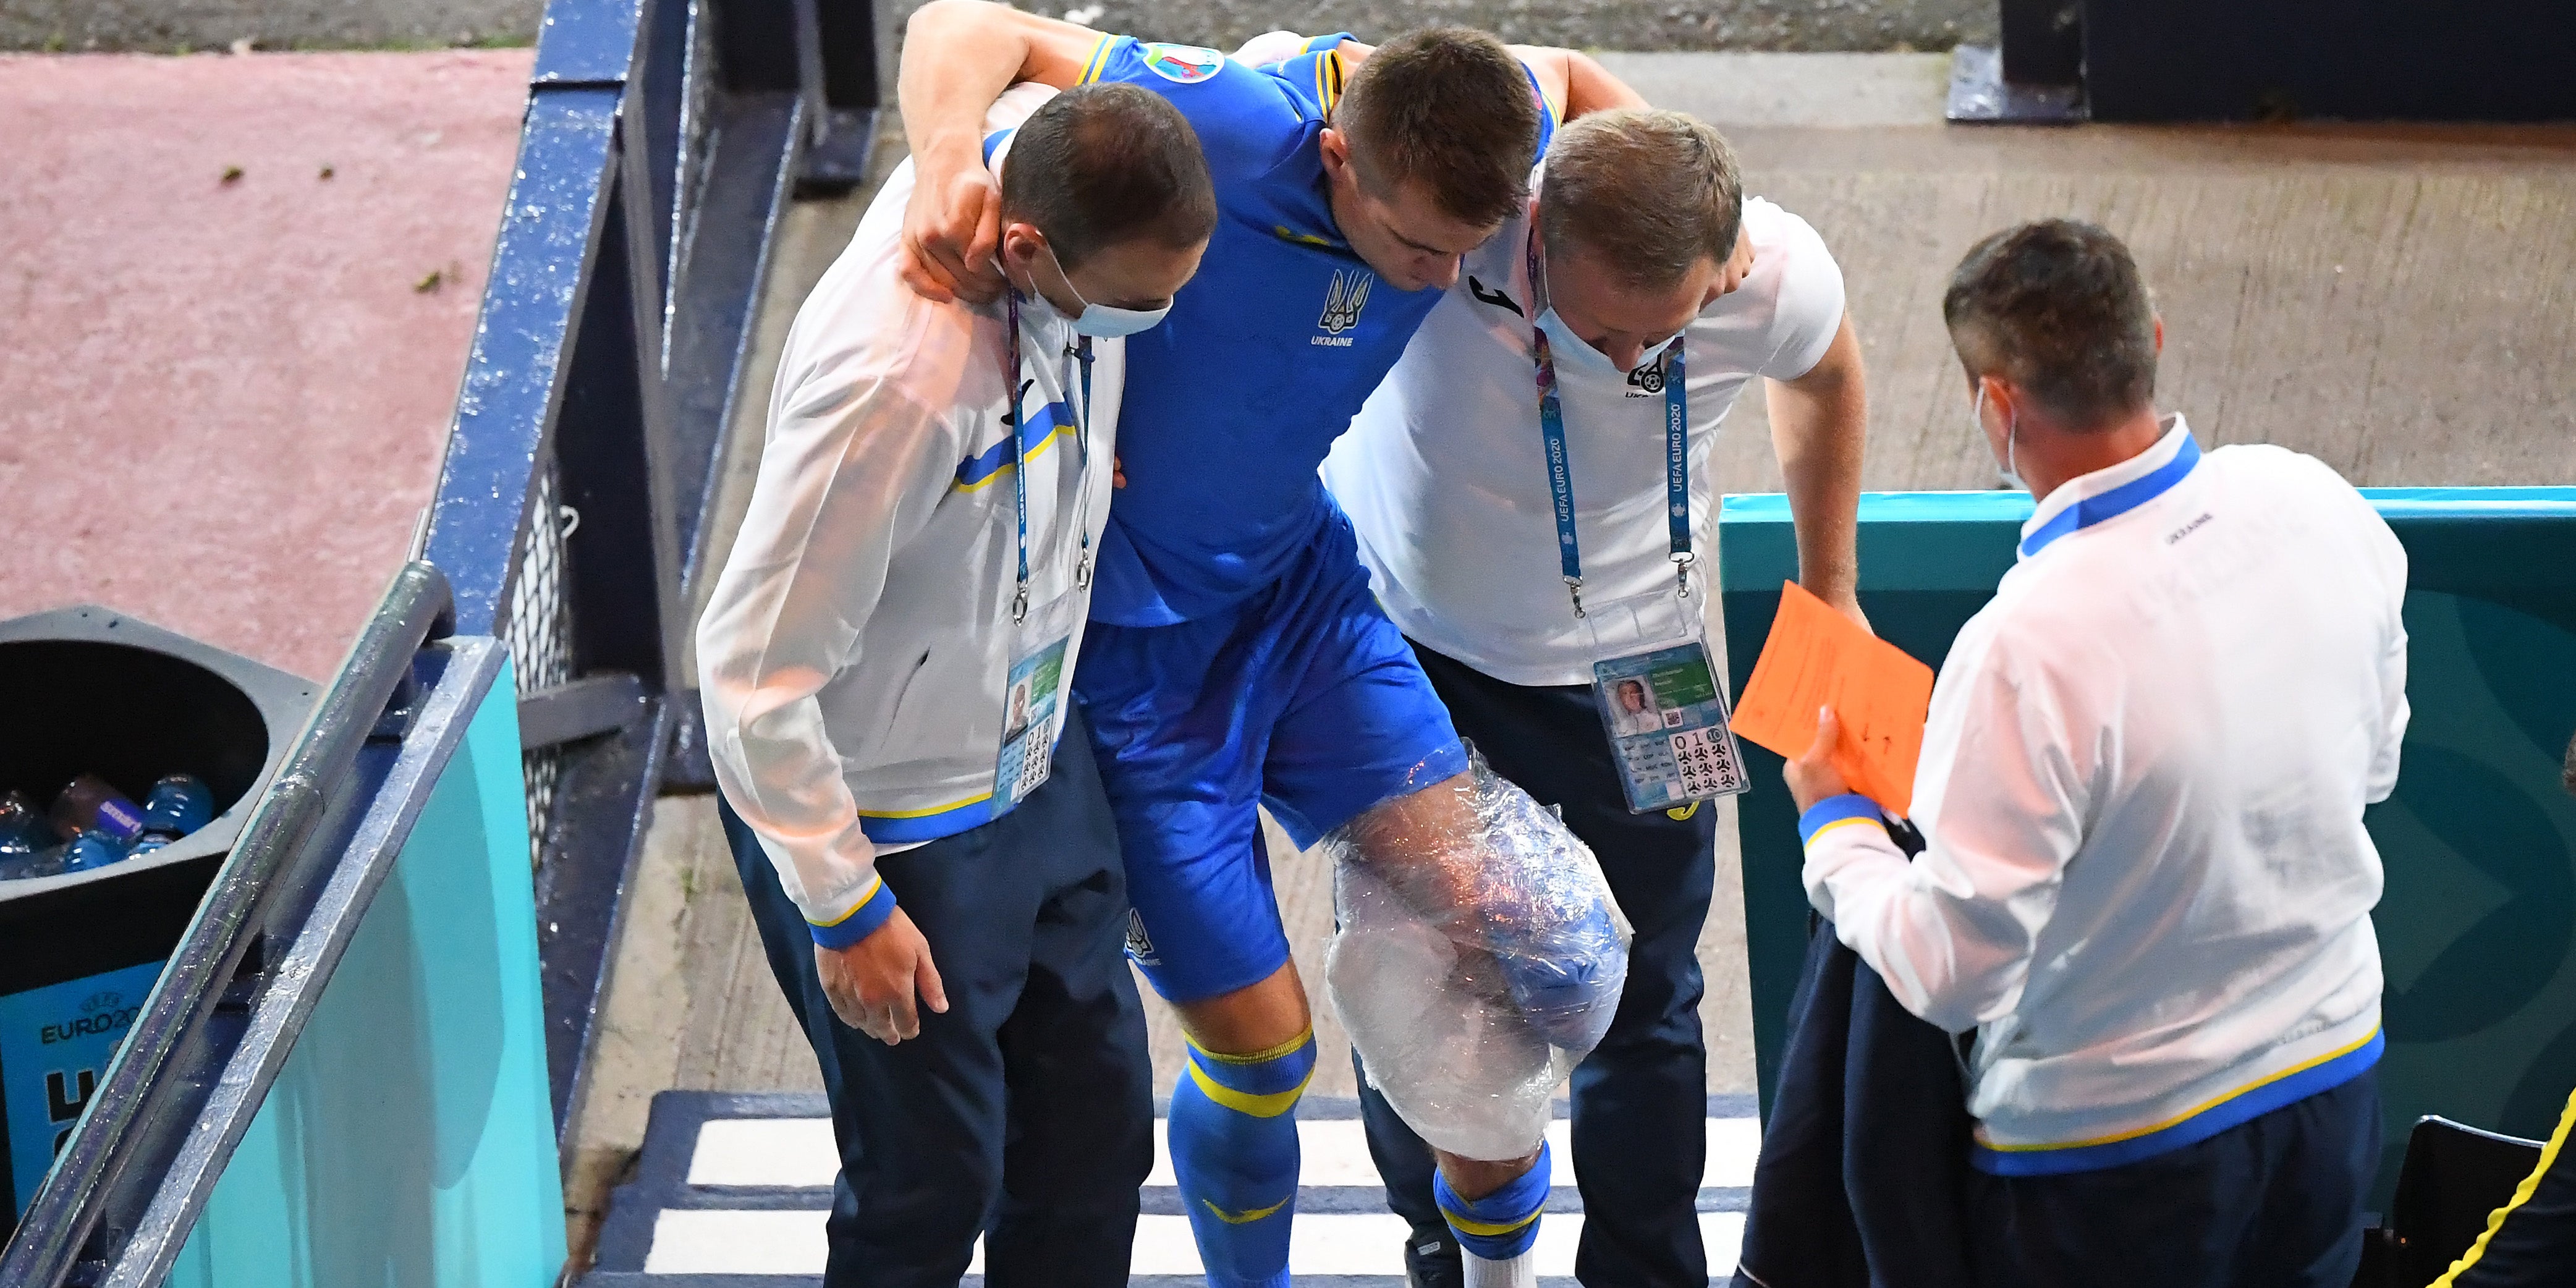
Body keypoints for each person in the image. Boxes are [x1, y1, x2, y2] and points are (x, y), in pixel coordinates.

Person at [895, 7, 1645, 1286]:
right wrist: (943, 164)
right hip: (1124, 668)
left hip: (1300, 601)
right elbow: (959, 23)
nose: (1433, 280)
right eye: (1414, 246)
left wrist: (1715, 228)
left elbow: (1567, 76)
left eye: (1458, 251)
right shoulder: (1236, 124)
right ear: (1340, 156)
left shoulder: (1478, 108)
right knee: (1263, 1059)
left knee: (1534, 951)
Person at [1784, 219, 2409, 1287]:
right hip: (2332, 1083)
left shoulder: (2024, 647)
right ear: (2149, 339)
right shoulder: (2317, 500)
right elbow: (2376, 769)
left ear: (1996, 407)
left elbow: (1950, 973)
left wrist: (1836, 824)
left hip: (2111, 1159)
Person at [1321, 106, 1868, 1287]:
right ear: (1534, 237)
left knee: (1646, 999)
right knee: (1413, 976)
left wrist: (1831, 588)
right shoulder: (1458, 228)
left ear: (1719, 268)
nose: (1626, 362)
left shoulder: (1771, 275)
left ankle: (1646, 1270)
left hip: (1641, 671)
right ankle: (1445, 1250)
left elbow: (1826, 370)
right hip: (1417, 665)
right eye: (1598, 329)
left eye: (1660, 335)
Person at [693, 82, 1216, 1287]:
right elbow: (749, 677)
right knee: (929, 1184)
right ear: (1026, 248)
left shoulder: (1037, 167)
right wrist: (845, 907)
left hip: (1038, 759)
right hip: (893, 829)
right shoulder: (894, 385)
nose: (1152, 321)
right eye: (1134, 304)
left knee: (1092, 1141)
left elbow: (975, 30)